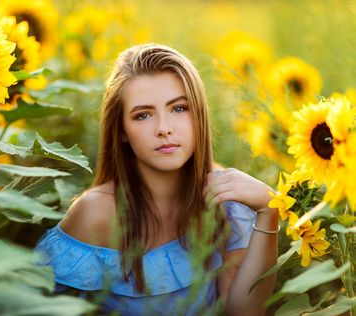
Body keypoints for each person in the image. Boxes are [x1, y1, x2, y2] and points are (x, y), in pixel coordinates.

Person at [34, 44, 279, 315]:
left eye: (179, 108)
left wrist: (269, 211)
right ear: (122, 131)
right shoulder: (95, 213)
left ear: (199, 115)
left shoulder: (225, 195)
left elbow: (244, 311)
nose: (164, 129)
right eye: (143, 115)